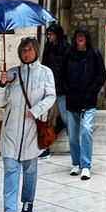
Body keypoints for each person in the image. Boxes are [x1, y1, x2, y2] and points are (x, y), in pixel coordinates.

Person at [0, 36, 56, 212]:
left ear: (36, 51)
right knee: (11, 169)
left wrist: (35, 111)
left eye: (29, 49)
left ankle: (28, 201)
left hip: (30, 131)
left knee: (29, 169)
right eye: (23, 50)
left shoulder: (46, 73)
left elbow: (51, 96)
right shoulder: (12, 74)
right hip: (11, 131)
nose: (26, 53)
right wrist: (2, 84)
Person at [61, 27, 106, 179]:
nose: (80, 39)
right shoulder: (68, 55)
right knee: (73, 135)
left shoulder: (94, 55)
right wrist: (68, 89)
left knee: (86, 130)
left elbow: (101, 74)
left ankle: (86, 164)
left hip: (88, 99)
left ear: (87, 38)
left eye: (82, 36)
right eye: (78, 36)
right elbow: (62, 75)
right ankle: (76, 163)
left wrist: (92, 89)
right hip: (72, 99)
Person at [39, 22, 71, 156]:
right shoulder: (48, 48)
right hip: (49, 88)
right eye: (48, 34)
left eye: (51, 34)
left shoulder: (67, 49)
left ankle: (75, 143)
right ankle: (45, 147)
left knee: (66, 118)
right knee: (45, 118)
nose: (48, 36)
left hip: (63, 89)